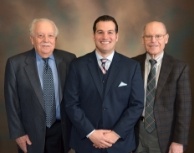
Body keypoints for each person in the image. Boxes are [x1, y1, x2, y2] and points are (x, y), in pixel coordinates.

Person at [63, 15, 144, 153]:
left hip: (120, 144)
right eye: (100, 32)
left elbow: (137, 105)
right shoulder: (77, 66)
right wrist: (91, 133)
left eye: (110, 32)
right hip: (87, 144)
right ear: (93, 36)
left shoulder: (131, 67)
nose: (105, 36)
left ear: (117, 36)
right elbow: (71, 104)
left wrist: (115, 134)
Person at [4, 18, 76, 153]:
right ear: (32, 39)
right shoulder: (15, 64)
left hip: (61, 132)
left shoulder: (69, 59)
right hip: (30, 134)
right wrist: (18, 133)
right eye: (40, 35)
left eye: (50, 35)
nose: (46, 40)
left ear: (55, 38)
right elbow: (11, 103)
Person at [133, 21, 192, 153]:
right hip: (136, 133)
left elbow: (184, 109)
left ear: (166, 38)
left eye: (158, 36)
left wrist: (179, 142)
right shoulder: (132, 64)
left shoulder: (179, 68)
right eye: (148, 36)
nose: (153, 40)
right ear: (143, 40)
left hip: (164, 135)